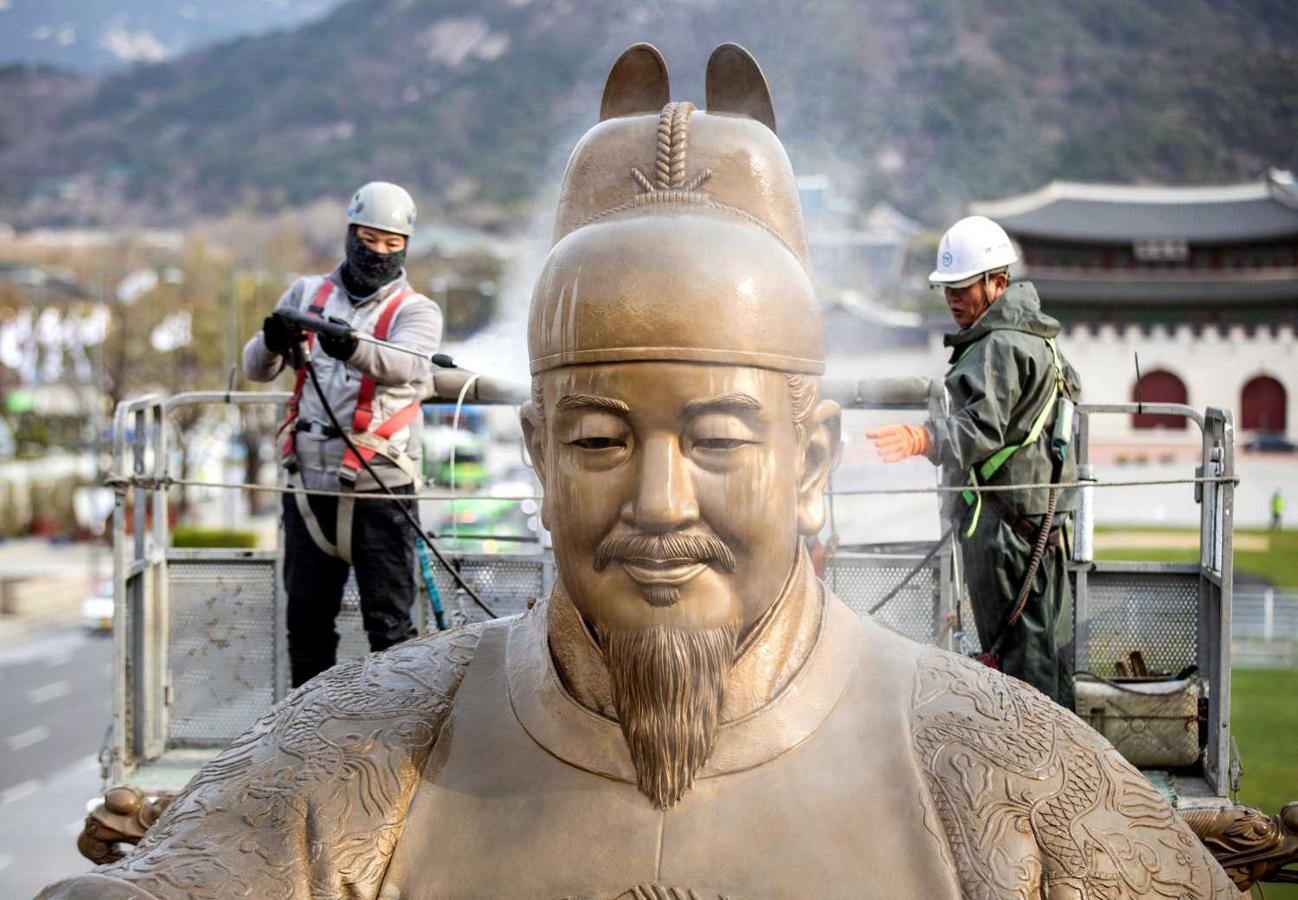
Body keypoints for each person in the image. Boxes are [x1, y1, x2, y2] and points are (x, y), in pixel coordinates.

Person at [38, 45, 1236, 899]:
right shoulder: (359, 750)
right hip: (326, 489)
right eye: (601, 440)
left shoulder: (1004, 771)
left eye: (719, 439)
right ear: (536, 455)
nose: (659, 505)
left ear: (806, 458)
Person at [867, 215, 1082, 709]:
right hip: (1037, 525)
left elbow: (983, 427)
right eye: (947, 288)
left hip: (1006, 531)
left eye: (962, 286)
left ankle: (1028, 769)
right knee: (1040, 652)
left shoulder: (999, 346)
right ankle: (1056, 767)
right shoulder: (1038, 340)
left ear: (997, 282)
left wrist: (923, 436)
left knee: (1016, 664)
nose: (952, 298)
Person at [243, 181, 442, 687]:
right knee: (306, 623)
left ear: (405, 246)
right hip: (309, 488)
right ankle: (307, 736)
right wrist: (270, 343)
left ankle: (396, 742)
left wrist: (349, 346)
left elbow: (406, 364)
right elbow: (255, 369)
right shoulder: (307, 294)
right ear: (351, 234)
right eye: (369, 239)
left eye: (391, 244)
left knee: (390, 629)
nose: (377, 252)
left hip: (380, 491)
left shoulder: (415, 311)